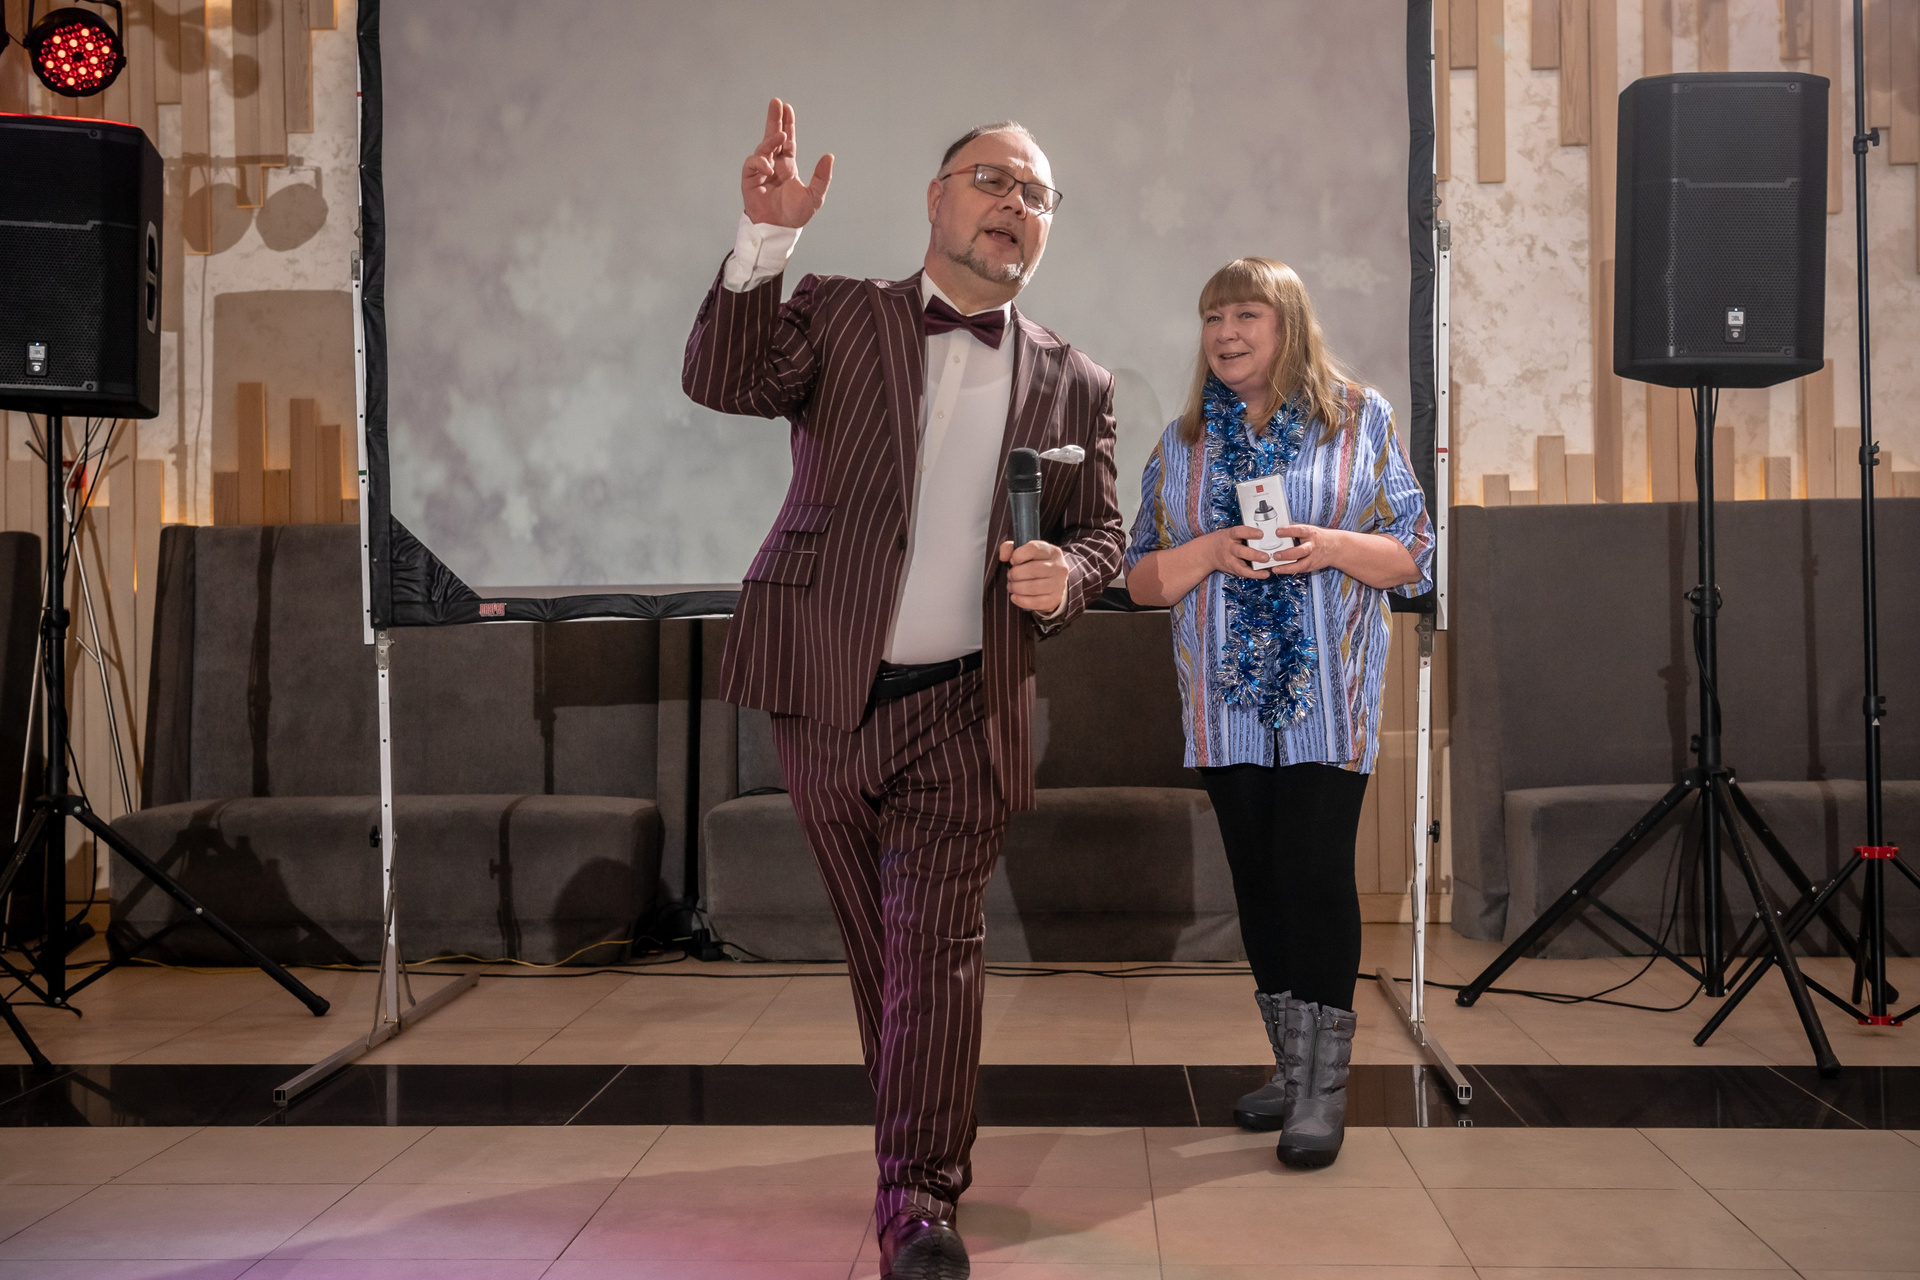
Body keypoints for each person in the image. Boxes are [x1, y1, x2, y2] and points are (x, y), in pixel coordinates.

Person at [683, 100, 1124, 1279]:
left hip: (966, 702)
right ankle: (909, 1158)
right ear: (937, 199)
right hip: (821, 684)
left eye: (1037, 194)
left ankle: (919, 1202)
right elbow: (720, 376)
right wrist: (764, 241)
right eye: (993, 180)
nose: (1014, 204)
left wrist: (1068, 575)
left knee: (935, 946)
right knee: (881, 949)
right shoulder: (839, 310)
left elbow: (1103, 532)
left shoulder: (1076, 379)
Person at [1125, 258, 1432, 1169]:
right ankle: (1292, 1071)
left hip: (1328, 698)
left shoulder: (1359, 418)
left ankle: (1323, 1092)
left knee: (1312, 871)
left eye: (1245, 314)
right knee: (1258, 881)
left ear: (1287, 323)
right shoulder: (1183, 442)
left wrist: (1329, 544)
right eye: (1212, 316)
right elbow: (1139, 577)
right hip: (1222, 703)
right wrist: (1212, 549)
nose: (1225, 333)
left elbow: (1414, 553)